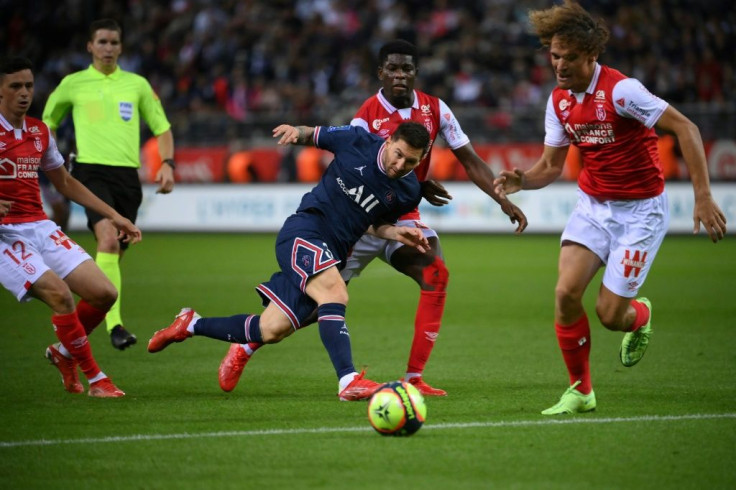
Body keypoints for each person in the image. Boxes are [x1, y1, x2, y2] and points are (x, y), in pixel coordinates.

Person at [218, 39, 529, 398]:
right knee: (323, 302)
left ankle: (414, 378)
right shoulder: (367, 113)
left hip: (402, 217)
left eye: (407, 69)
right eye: (393, 69)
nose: (400, 75)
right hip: (360, 222)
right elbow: (355, 169)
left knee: (435, 274)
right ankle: (246, 344)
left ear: (416, 72)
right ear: (381, 73)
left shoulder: (436, 109)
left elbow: (470, 159)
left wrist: (501, 199)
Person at [493, 0, 727, 415]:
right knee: (565, 293)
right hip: (593, 207)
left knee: (608, 314)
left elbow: (686, 128)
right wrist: (523, 180)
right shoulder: (559, 101)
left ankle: (638, 315)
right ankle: (581, 391)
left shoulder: (622, 91)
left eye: (570, 58)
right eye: (554, 56)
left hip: (640, 213)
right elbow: (550, 166)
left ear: (592, 55)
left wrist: (703, 196)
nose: (560, 66)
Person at [148, 121, 432, 401]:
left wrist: (395, 232)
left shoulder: (407, 191)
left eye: (411, 161)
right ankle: (348, 380)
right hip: (305, 230)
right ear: (388, 142)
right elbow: (314, 135)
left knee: (270, 329)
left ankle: (190, 324)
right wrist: (297, 133)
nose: (400, 165)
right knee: (335, 293)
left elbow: (373, 224)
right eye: (398, 154)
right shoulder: (357, 140)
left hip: (333, 251)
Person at [0, 56, 142, 397]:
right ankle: (97, 379)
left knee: (105, 292)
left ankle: (63, 353)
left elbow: (64, 181)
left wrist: (113, 215)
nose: (24, 93)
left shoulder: (39, 131)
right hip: (5, 234)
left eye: (29, 86)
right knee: (60, 295)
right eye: (15, 86)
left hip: (39, 226)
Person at [42, 18, 176, 350]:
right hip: (89, 172)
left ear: (121, 46)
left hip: (127, 179)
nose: (108, 48)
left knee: (113, 256)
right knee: (108, 241)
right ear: (90, 46)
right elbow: (47, 121)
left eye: (114, 42)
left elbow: (162, 128)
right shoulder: (73, 83)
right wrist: (51, 156)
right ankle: (115, 327)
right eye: (102, 42)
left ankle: (73, 334)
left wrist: (168, 164)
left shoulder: (137, 84)